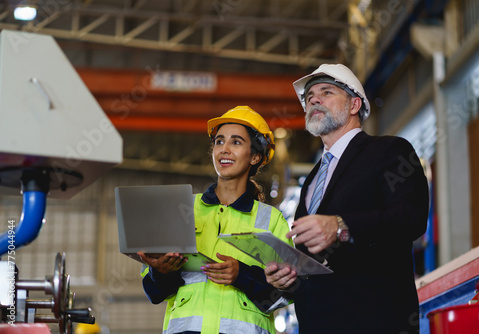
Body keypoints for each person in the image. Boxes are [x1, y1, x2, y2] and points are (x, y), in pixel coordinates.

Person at [264, 64, 429, 333]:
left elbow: (410, 218)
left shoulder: (389, 151)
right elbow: (315, 262)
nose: (314, 99)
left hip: (375, 323)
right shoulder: (313, 180)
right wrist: (288, 276)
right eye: (309, 97)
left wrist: (341, 226)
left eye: (326, 92)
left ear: (354, 105)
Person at [138, 106, 293, 334]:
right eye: (219, 142)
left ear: (255, 156)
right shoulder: (183, 209)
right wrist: (161, 271)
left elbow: (284, 295)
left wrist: (242, 275)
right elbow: (154, 293)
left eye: (236, 142)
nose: (224, 150)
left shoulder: (271, 220)